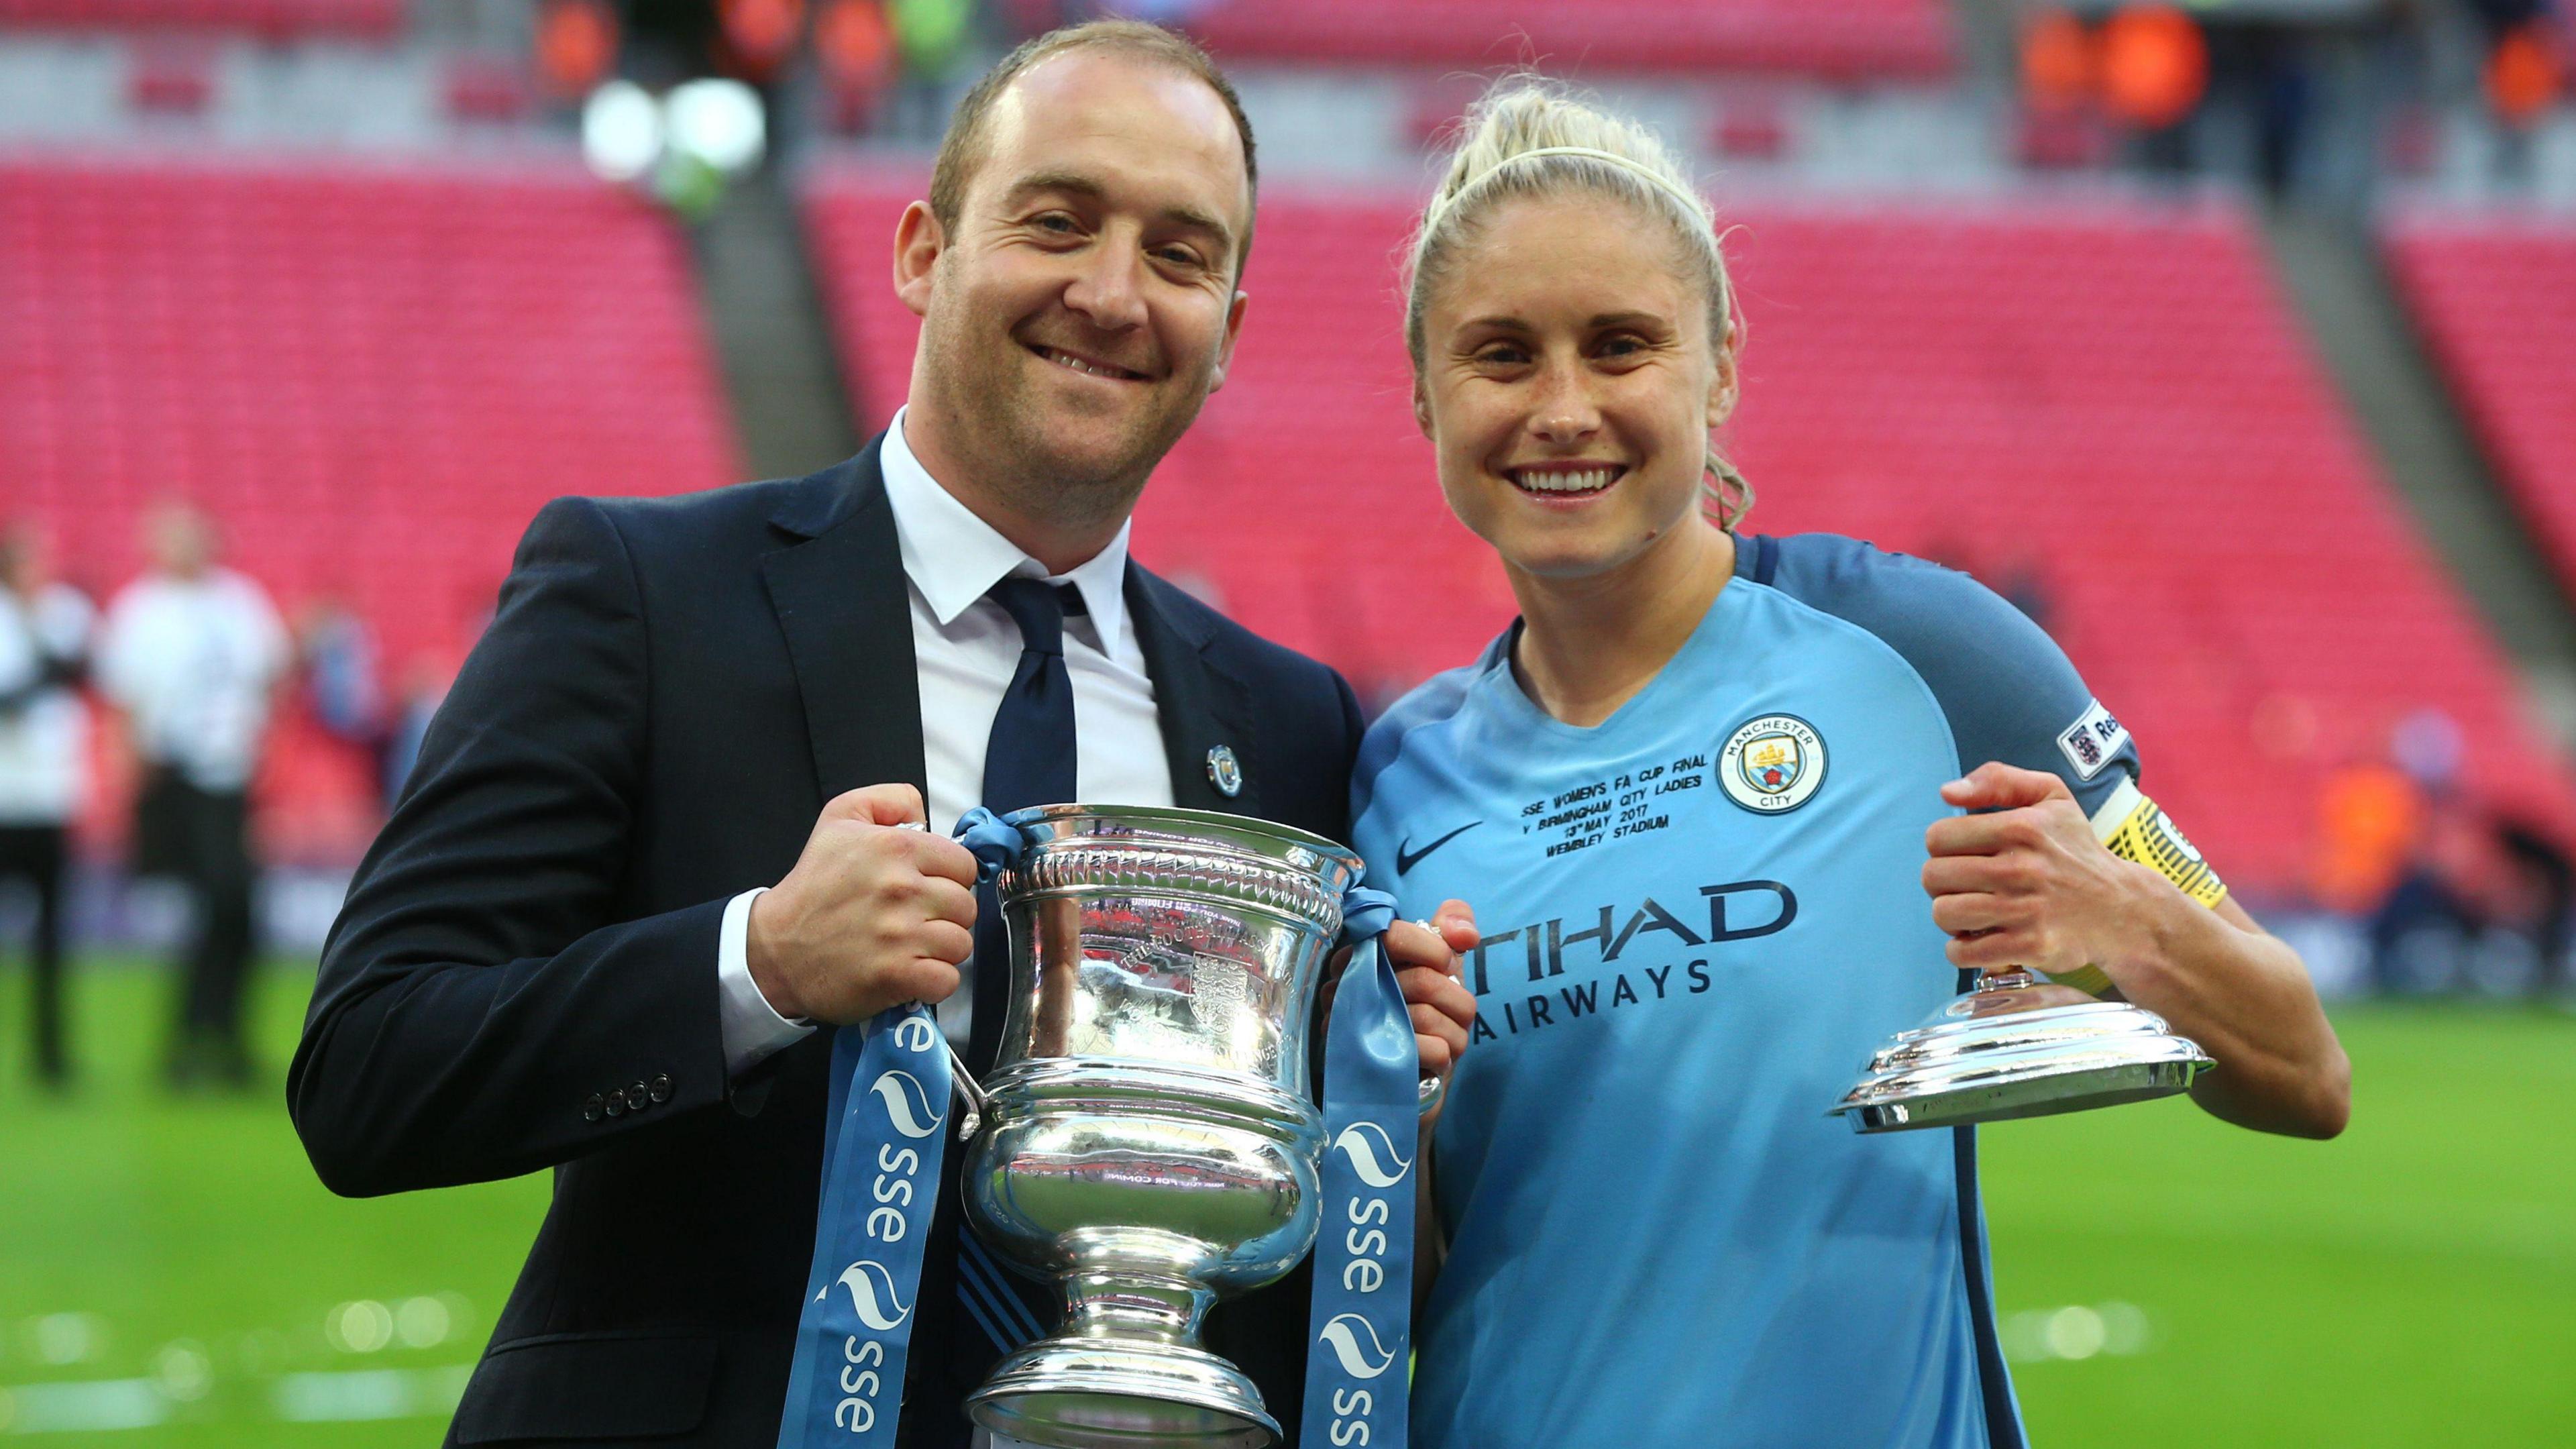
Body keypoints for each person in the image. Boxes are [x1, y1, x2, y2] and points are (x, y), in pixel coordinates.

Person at [289, 21, 1477, 1449]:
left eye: (1180, 254)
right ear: (923, 251)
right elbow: (369, 1070)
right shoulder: (643, 594)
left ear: (1227, 331)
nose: (1111, 293)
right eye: (1057, 221)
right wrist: (761, 965)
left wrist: (1370, 1085)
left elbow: (1289, 1272)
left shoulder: (1285, 721)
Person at [1348, 82, 2352, 1448]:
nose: (1564, 407)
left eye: (1623, 345)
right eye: (1503, 354)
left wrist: (2124, 919)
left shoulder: (1920, 652)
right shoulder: (1396, 777)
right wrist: (1390, 1119)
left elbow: (2305, 1068)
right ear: (1424, 392)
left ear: (1721, 366)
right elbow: (1394, 1294)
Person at [97, 504, 288, 1091]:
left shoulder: (240, 602)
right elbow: (124, 702)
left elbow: (272, 673)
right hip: (174, 776)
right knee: (213, 905)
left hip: (230, 775)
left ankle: (215, 1037)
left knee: (236, 910)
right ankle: (194, 1040)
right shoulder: (140, 610)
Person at [0, 523, 95, 1089]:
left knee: (53, 936)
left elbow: (87, 669)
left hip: (52, 796)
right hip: (4, 796)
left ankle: (51, 1057)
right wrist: (45, 674)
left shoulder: (65, 613)